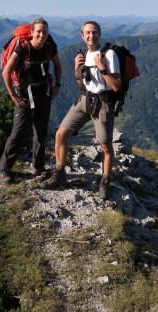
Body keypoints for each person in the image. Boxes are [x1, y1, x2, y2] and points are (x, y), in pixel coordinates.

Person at [41, 21, 121, 199]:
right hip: (84, 99)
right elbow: (82, 82)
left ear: (99, 34)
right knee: (61, 134)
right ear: (82, 36)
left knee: (105, 146)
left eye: (94, 32)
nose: (91, 36)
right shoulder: (84, 54)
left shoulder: (109, 55)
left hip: (103, 102)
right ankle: (60, 173)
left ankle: (105, 181)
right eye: (87, 33)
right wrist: (77, 68)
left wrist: (102, 67)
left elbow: (116, 85)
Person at [0, 18, 62, 183]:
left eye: (45, 32)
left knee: (40, 131)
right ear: (32, 33)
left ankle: (38, 167)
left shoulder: (50, 48)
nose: (41, 35)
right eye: (38, 31)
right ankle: (4, 170)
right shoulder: (22, 49)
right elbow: (6, 73)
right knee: (17, 132)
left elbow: (57, 65)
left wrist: (58, 84)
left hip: (44, 93)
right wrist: (14, 95)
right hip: (25, 95)